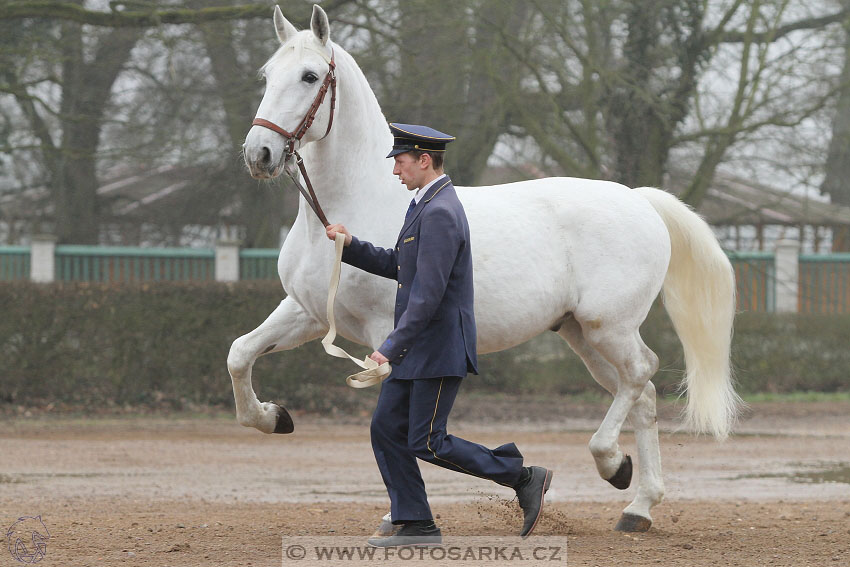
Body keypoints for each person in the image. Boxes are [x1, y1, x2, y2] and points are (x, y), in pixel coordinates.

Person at [325, 123, 553, 547]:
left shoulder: (442, 212)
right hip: (418, 349)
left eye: (401, 160)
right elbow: (401, 265)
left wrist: (388, 349)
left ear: (423, 160)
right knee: (386, 429)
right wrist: (350, 244)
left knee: (428, 441)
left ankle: (522, 477)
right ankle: (415, 522)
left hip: (437, 348)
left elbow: (427, 297)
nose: (395, 170)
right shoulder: (423, 205)